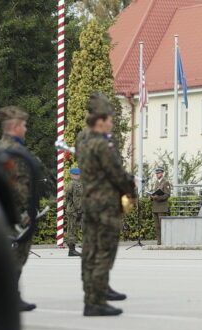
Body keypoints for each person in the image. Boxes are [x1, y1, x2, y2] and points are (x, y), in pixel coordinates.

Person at [76, 93, 136, 317]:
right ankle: (97, 301)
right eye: (109, 119)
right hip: (105, 204)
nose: (112, 123)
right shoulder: (101, 146)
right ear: (100, 121)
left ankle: (90, 296)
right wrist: (131, 190)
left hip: (90, 202)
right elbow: (117, 174)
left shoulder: (83, 142)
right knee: (104, 251)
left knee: (90, 251)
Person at [0, 105, 38, 312]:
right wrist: (25, 212)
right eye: (25, 125)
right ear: (16, 126)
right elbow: (19, 185)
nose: (26, 129)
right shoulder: (16, 151)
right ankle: (9, 295)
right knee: (18, 254)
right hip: (14, 214)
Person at [150, 168, 172, 245]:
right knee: (157, 226)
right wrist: (151, 196)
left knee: (162, 226)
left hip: (162, 207)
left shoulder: (166, 182)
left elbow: (167, 195)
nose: (157, 175)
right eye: (156, 173)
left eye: (158, 173)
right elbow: (155, 193)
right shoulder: (156, 182)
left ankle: (164, 241)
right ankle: (159, 241)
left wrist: (158, 197)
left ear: (162, 174)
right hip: (155, 207)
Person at [65, 168, 83, 257]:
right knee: (72, 230)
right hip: (75, 211)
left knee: (72, 229)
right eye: (78, 174)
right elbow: (77, 199)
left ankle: (72, 249)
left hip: (71, 209)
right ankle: (71, 251)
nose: (79, 176)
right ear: (74, 175)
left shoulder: (69, 184)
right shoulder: (76, 185)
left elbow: (68, 198)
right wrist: (79, 210)